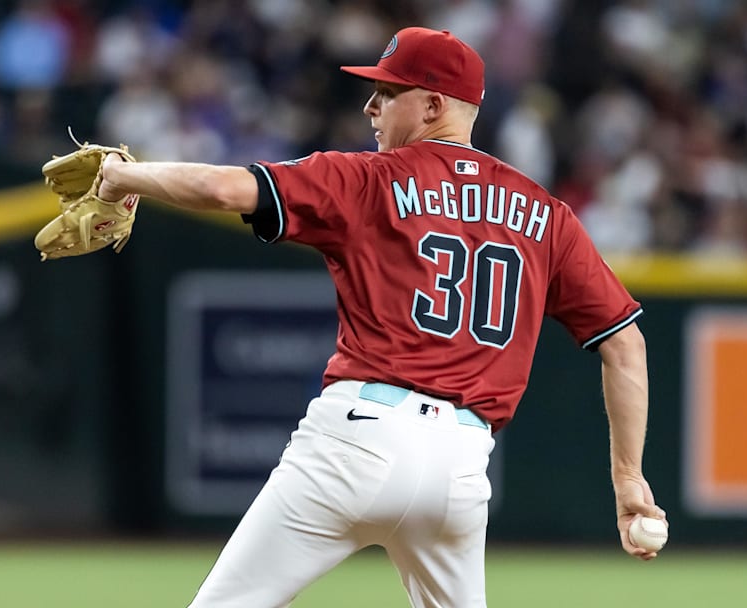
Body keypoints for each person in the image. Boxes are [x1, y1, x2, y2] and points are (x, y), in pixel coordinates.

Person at [96, 26, 665, 608]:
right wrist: (628, 478)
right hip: (460, 471)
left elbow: (222, 188)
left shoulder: (368, 178)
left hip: (355, 441)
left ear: (434, 105)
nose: (370, 106)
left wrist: (121, 176)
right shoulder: (546, 216)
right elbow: (626, 345)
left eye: (388, 93)